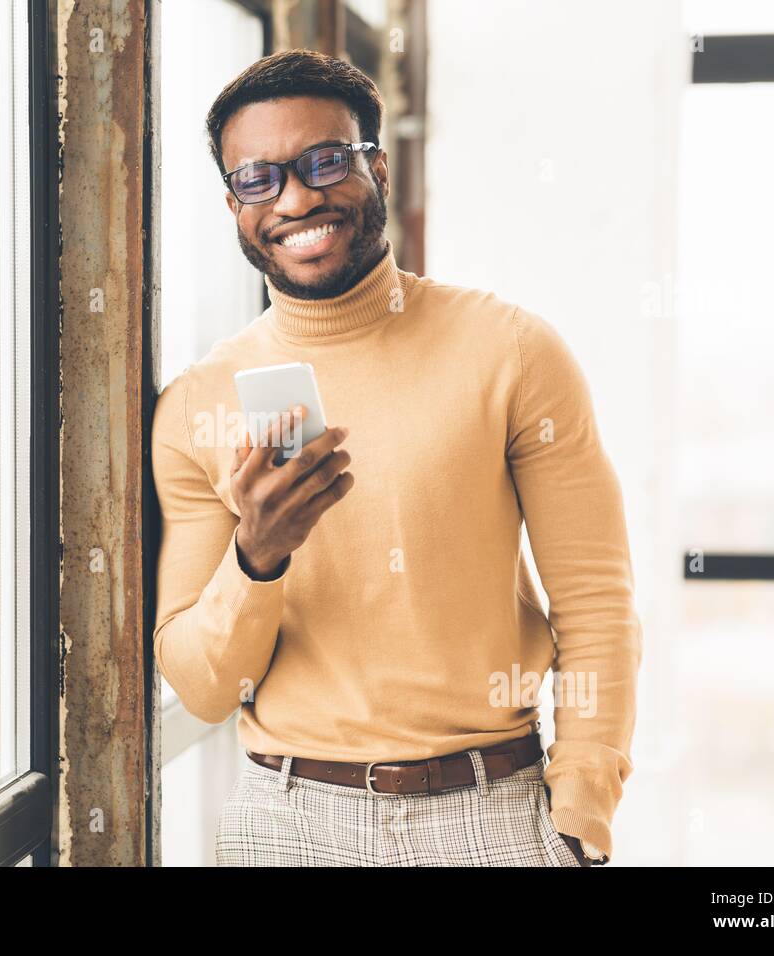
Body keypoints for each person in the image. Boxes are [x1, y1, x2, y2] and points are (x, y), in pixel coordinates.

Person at [151, 48, 642, 866]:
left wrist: (582, 811)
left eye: (325, 161)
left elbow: (595, 601)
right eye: (259, 179)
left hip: (495, 814)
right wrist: (257, 557)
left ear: (377, 167)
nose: (297, 197)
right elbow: (204, 689)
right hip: (284, 823)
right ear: (235, 205)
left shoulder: (511, 351)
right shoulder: (198, 402)